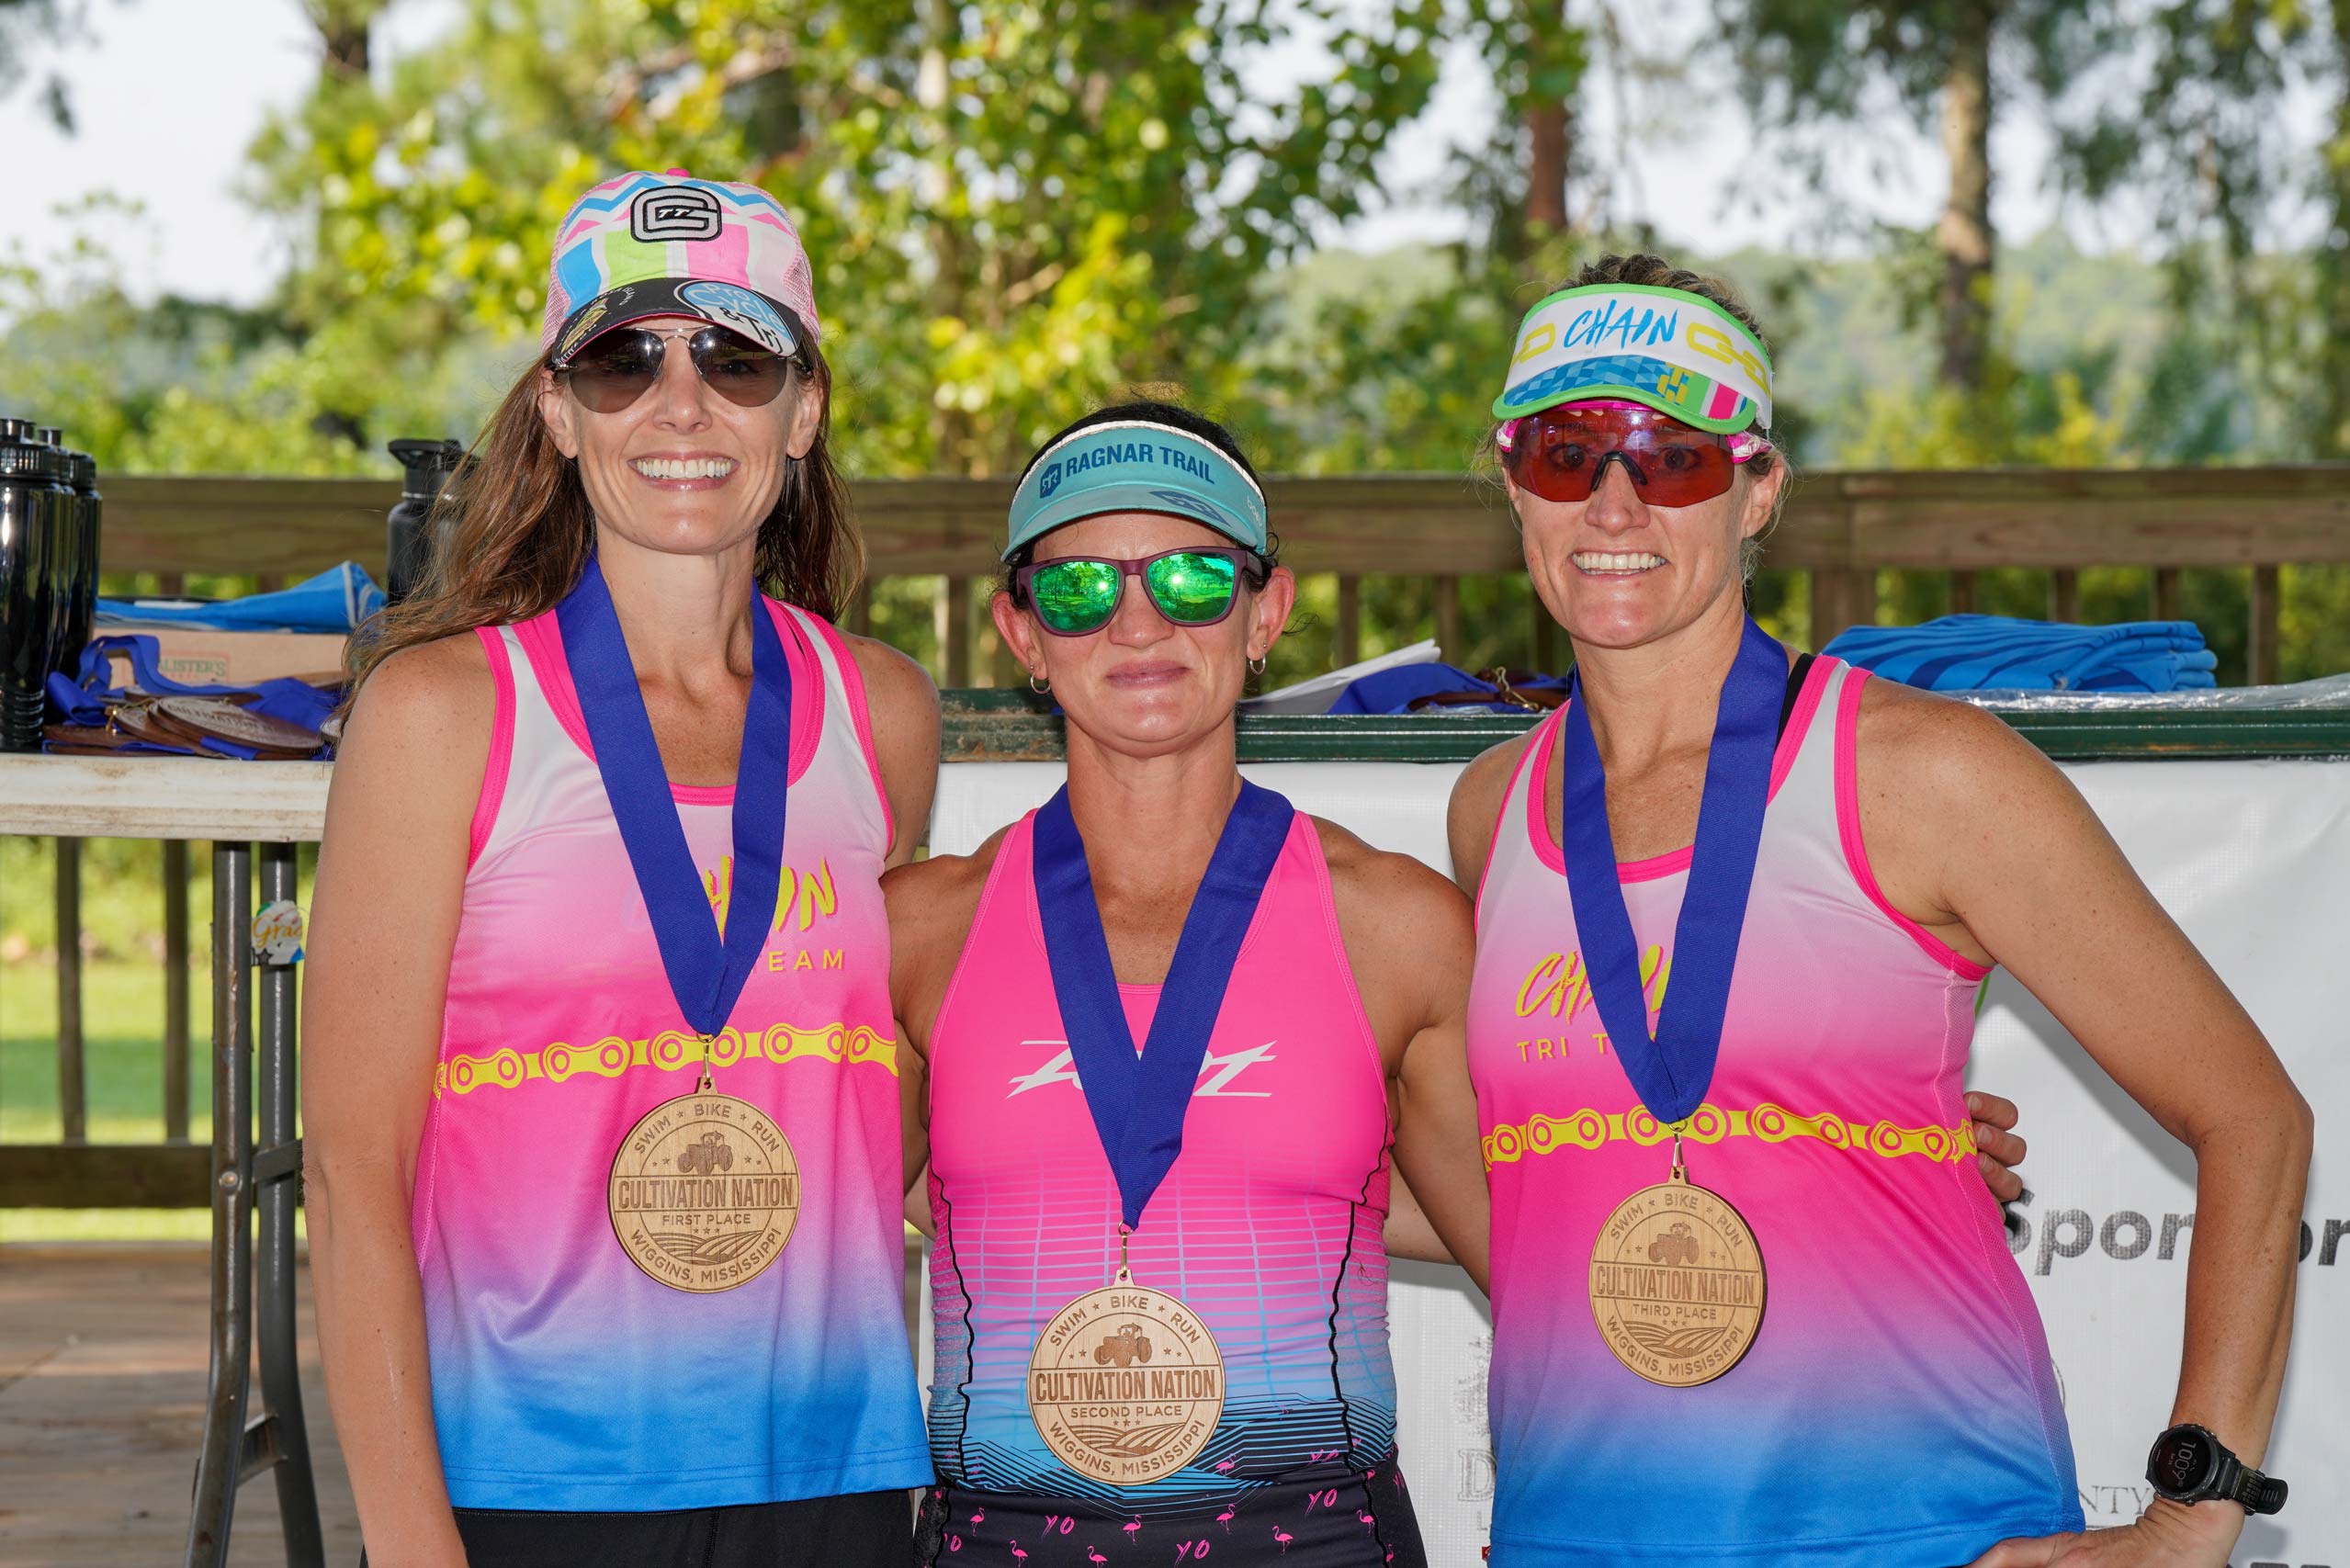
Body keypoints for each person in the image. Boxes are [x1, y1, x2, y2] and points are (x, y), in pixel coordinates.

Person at [1447, 254, 2314, 1568]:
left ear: (1757, 490)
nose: (1613, 499)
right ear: (1514, 489)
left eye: (1671, 456)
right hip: (1573, 1533)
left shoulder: (1926, 772)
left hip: (1911, 1528)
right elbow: (1535, 1169)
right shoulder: (1492, 806)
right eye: (1567, 454)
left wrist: (2191, 1514)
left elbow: (2253, 1112)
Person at [301, 171, 940, 1568]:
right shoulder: (438, 716)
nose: (680, 402)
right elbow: (354, 1174)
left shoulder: (880, 710)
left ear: (804, 406)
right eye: (620, 358)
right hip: (526, 1481)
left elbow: (880, 1093)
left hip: (828, 1465)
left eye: (734, 355)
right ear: (556, 409)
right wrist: (412, 1546)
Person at [885, 402, 1493, 1567]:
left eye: (1192, 579)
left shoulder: (1400, 929)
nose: (1136, 621)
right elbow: (837, 1207)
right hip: (998, 1540)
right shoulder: (916, 931)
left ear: (1266, 612)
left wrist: (1869, 1165)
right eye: (1076, 589)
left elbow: (1540, 1247)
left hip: (1315, 1538)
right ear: (1021, 632)